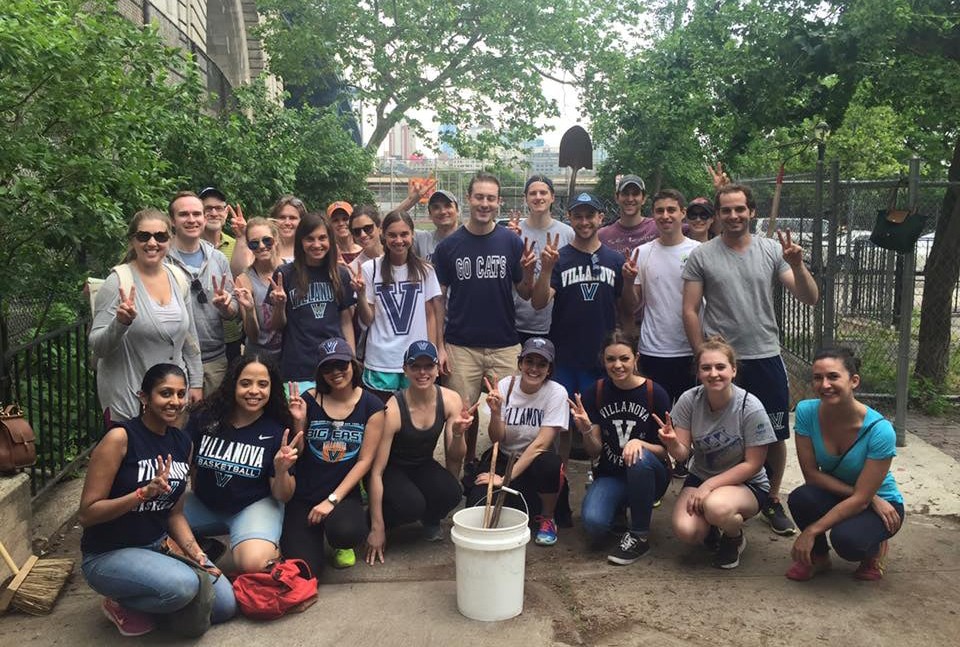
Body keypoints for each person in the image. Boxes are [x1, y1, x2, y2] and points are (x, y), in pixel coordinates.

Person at [682, 183, 819, 535]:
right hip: (722, 362)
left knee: (773, 435)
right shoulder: (702, 255)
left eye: (739, 209)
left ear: (752, 211)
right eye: (725, 210)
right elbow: (690, 309)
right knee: (716, 433)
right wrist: (702, 356)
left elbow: (809, 297)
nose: (733, 216)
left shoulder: (773, 250)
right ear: (717, 215)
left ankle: (771, 498)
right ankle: (720, 496)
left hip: (764, 355)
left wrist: (798, 266)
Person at [79, 364, 235, 637]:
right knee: (184, 587)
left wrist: (197, 553)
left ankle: (164, 596)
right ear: (144, 397)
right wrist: (141, 494)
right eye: (165, 393)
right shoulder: (120, 437)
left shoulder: (182, 443)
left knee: (224, 606)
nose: (175, 402)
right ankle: (120, 602)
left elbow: (174, 514)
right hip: (108, 553)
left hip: (156, 545)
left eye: (180, 394)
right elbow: (88, 514)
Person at [432, 172, 534, 462]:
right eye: (479, 197)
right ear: (469, 199)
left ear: (499, 202)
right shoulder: (448, 247)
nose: (485, 203)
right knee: (462, 418)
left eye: (491, 198)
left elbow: (526, 294)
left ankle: (507, 471)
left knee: (512, 415)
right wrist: (439, 345)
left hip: (504, 344)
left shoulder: (511, 243)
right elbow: (438, 302)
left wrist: (529, 271)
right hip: (461, 345)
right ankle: (461, 474)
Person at [656, 337, 778, 569]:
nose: (714, 373)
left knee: (716, 508)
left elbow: (753, 464)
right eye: (706, 368)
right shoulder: (689, 400)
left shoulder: (750, 407)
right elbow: (682, 455)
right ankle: (712, 525)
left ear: (733, 370)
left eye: (720, 367)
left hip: (747, 482)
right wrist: (671, 444)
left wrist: (709, 487)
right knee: (687, 532)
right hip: (702, 475)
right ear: (698, 373)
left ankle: (734, 537)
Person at [786, 348, 904, 582]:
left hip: (884, 505)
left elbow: (861, 499)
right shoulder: (806, 412)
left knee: (847, 541)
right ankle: (818, 557)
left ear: (854, 381)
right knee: (801, 497)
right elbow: (811, 475)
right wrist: (869, 498)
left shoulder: (880, 431)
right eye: (817, 377)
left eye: (833, 376)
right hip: (860, 497)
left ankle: (873, 550)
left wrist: (811, 530)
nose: (824, 384)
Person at [183, 356, 300, 573]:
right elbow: (184, 462)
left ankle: (269, 549)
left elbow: (283, 495)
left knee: (253, 564)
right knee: (151, 523)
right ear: (233, 384)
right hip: (205, 504)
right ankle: (206, 547)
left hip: (253, 507)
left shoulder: (277, 429)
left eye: (262, 384)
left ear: (271, 389)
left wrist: (282, 470)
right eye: (246, 383)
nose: (254, 391)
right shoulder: (204, 416)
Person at [89, 209, 203, 424]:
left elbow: (190, 337)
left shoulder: (178, 278)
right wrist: (120, 323)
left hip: (172, 403)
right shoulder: (118, 282)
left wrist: (195, 382)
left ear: (170, 240)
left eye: (160, 236)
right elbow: (98, 346)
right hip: (129, 401)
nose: (152, 243)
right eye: (144, 236)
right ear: (132, 240)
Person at [365, 341, 474, 564]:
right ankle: (380, 519)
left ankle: (429, 517)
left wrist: (459, 433)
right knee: (411, 505)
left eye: (428, 366)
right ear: (405, 370)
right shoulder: (394, 409)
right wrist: (377, 528)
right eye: (415, 366)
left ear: (437, 369)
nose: (422, 372)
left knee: (453, 492)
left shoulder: (450, 399)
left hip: (421, 464)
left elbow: (455, 457)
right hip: (390, 469)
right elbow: (376, 471)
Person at [282, 338, 385, 573]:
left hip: (342, 494)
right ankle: (311, 534)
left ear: (353, 364)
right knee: (306, 570)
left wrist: (331, 501)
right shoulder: (308, 399)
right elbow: (297, 454)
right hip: (304, 493)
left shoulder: (372, 405)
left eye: (341, 364)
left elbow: (365, 461)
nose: (336, 372)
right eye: (327, 367)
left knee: (346, 531)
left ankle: (337, 539)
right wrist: (299, 423)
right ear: (319, 372)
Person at [570, 331, 671, 565]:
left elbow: (668, 452)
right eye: (611, 359)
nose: (618, 365)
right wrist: (585, 429)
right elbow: (595, 451)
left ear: (636, 358)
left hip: (650, 473)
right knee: (594, 525)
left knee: (638, 458)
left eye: (624, 358)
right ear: (603, 361)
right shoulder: (595, 392)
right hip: (612, 473)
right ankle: (617, 510)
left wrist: (641, 444)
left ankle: (639, 535)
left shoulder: (654, 393)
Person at [466, 337, 568, 546]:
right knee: (475, 503)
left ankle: (548, 518)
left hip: (536, 462)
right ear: (520, 363)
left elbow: (541, 445)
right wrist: (495, 413)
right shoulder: (506, 385)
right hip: (505, 457)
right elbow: (497, 438)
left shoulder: (556, 392)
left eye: (542, 364)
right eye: (529, 361)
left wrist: (504, 480)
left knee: (550, 464)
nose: (534, 368)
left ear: (549, 369)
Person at [353, 211, 443, 401]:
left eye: (404, 234)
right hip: (381, 360)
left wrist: (433, 352)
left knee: (414, 419)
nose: (399, 240)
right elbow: (367, 319)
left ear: (412, 234)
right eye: (392, 235)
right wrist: (361, 294)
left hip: (416, 360)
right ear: (383, 235)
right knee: (382, 420)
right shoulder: (371, 269)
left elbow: (430, 315)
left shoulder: (425, 270)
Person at [166, 191, 239, 396]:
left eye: (197, 214)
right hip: (174, 360)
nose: (191, 220)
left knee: (213, 425)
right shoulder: (162, 260)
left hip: (215, 360)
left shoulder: (218, 259)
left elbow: (233, 309)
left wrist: (227, 306)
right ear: (172, 220)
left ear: (204, 218)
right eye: (184, 214)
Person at [271, 212, 356, 386]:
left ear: (330, 241)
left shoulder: (340, 274)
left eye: (322, 238)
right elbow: (276, 326)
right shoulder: (285, 275)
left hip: (335, 365)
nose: (317, 245)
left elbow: (346, 321)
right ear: (300, 241)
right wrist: (279, 306)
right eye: (310, 239)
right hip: (298, 367)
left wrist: (352, 360)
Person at [633, 189, 700, 406]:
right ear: (653, 215)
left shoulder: (699, 252)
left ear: (683, 213)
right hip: (653, 350)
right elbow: (634, 302)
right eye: (659, 211)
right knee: (655, 419)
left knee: (689, 420)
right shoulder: (642, 253)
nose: (665, 215)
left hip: (690, 349)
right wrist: (627, 280)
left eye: (671, 210)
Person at [513, 175, 575, 343]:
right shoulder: (514, 233)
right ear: (525, 198)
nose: (538, 197)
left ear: (552, 197)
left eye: (543, 192)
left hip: (555, 322)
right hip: (516, 322)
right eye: (533, 193)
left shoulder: (567, 233)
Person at [199, 186, 243, 364]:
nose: (213, 213)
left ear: (226, 212)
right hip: (200, 337)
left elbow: (242, 278)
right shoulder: (190, 247)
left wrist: (243, 238)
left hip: (232, 334)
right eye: (207, 209)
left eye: (218, 208)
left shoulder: (236, 244)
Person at [233, 217, 283, 362]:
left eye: (267, 240)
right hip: (257, 357)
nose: (261, 246)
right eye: (254, 243)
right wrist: (249, 310)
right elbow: (253, 335)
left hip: (288, 354)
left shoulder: (291, 271)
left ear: (276, 239)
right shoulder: (244, 280)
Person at [229, 195, 306, 275]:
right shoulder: (258, 245)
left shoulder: (307, 248)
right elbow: (238, 273)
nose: (287, 223)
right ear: (273, 220)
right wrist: (241, 236)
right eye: (282, 217)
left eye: (292, 218)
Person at [598, 174, 656, 257]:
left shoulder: (657, 228)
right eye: (625, 194)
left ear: (644, 199)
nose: (630, 199)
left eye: (635, 194)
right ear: (616, 198)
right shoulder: (602, 236)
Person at [413, 189, 460, 263]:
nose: (443, 211)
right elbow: (389, 225)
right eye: (436, 207)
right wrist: (410, 200)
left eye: (448, 206)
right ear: (430, 215)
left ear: (457, 211)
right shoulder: (423, 239)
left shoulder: (469, 240)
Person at [327, 201, 363, 265]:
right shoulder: (329, 255)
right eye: (335, 220)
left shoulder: (364, 249)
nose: (341, 223)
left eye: (345, 219)